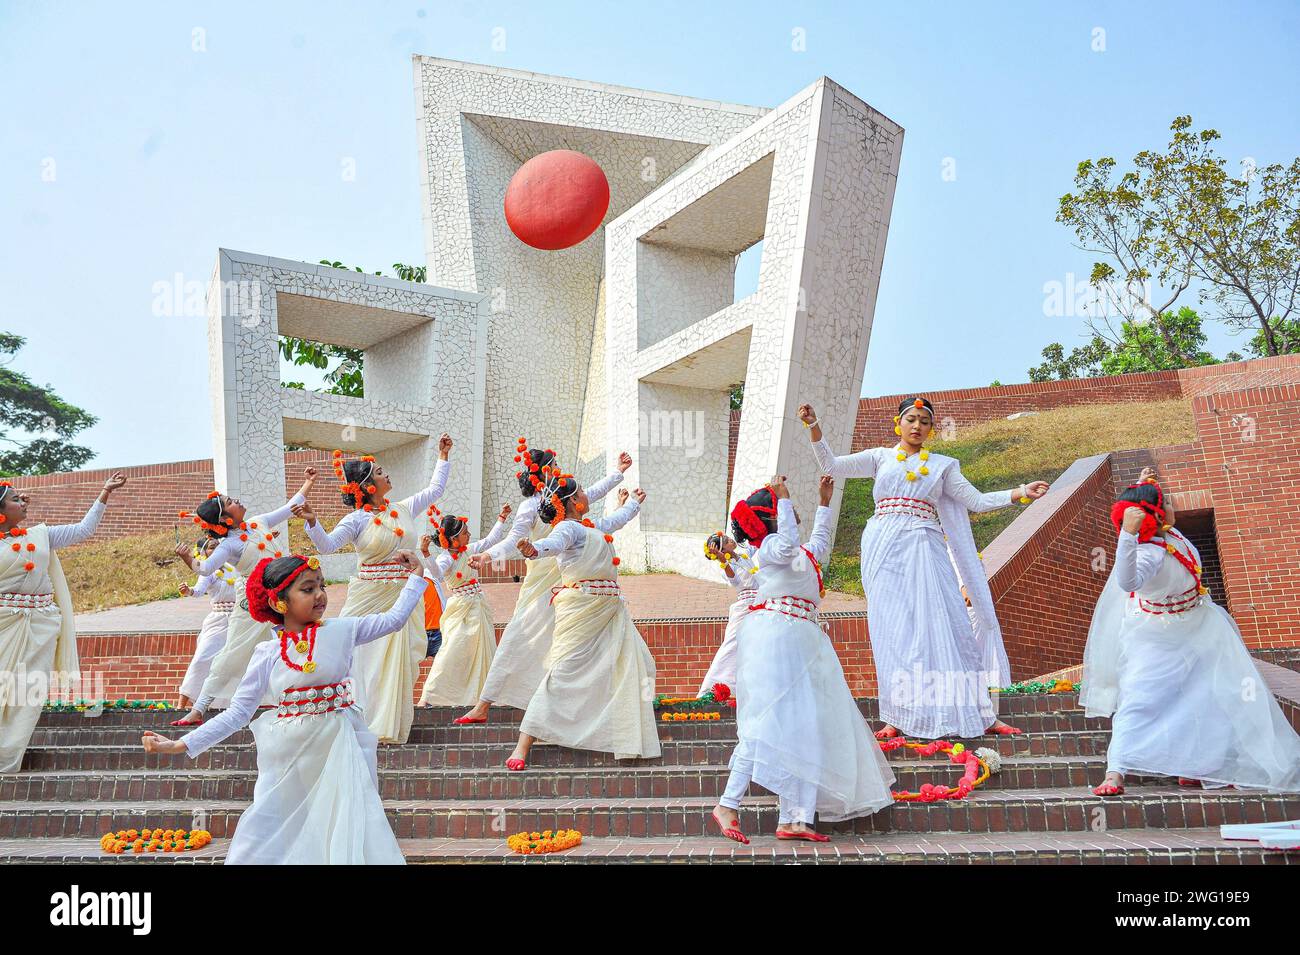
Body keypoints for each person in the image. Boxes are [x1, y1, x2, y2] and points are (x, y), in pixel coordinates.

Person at [142, 551, 428, 864]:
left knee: (347, 821)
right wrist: (181, 743)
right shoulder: (266, 652)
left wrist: (416, 578)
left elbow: (393, 620)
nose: (319, 595)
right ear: (280, 602)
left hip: (340, 745)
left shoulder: (343, 630)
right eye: (307, 589)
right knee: (270, 824)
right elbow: (238, 713)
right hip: (289, 755)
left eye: (321, 586)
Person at [799, 398, 1049, 739]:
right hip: (883, 546)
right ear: (897, 424)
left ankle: (981, 713)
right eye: (911, 420)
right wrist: (814, 426)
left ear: (931, 429)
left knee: (951, 623)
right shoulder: (880, 457)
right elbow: (830, 463)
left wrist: (1020, 492)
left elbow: (974, 501)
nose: (917, 426)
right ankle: (896, 716)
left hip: (925, 544)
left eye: (925, 422)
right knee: (892, 629)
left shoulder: (944, 465)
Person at [1083, 470, 1300, 796]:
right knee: (1139, 699)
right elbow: (1127, 583)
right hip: (1156, 635)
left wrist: (1147, 485)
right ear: (1151, 516)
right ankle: (1116, 772)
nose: (1172, 506)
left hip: (1199, 626)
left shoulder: (1171, 536)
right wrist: (1126, 535)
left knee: (1212, 694)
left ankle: (1197, 768)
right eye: (1164, 503)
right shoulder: (1147, 552)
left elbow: (1161, 516)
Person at [711, 475, 896, 843]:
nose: (791, 511)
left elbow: (819, 543)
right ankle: (727, 804)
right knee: (766, 722)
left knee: (804, 725)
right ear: (772, 517)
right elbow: (775, 555)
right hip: (777, 636)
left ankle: (794, 818)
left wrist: (825, 502)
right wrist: (784, 498)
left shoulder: (800, 554)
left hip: (806, 639)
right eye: (783, 509)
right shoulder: (771, 547)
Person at [453, 443, 630, 724]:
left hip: (571, 578)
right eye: (554, 464)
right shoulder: (530, 506)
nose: (558, 468)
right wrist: (487, 555)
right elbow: (514, 540)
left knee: (567, 642)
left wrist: (617, 473)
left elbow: (591, 494)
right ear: (544, 471)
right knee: (519, 635)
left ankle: (565, 704)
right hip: (541, 581)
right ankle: (484, 704)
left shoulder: (567, 498)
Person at [295, 435, 451, 744]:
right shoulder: (356, 520)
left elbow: (435, 490)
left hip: (403, 594)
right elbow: (327, 546)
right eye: (379, 472)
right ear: (367, 485)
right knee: (360, 657)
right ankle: (352, 718)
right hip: (368, 595)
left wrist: (443, 456)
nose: (386, 474)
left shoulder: (404, 508)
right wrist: (313, 523)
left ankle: (387, 725)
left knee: (397, 661)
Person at [507, 478, 657, 768]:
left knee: (640, 664)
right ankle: (523, 744)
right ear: (574, 502)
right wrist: (533, 550)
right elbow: (553, 544)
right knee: (562, 671)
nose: (587, 495)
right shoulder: (567, 528)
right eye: (583, 493)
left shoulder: (591, 526)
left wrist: (633, 503)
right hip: (581, 609)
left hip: (610, 610)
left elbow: (618, 518)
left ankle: (624, 727)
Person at [169, 468, 318, 726]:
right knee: (233, 653)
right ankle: (200, 707)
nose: (235, 501)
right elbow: (205, 568)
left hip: (283, 595)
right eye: (229, 503)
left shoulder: (258, 522)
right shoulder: (229, 545)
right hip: (253, 601)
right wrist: (186, 558)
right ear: (225, 519)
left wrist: (308, 482)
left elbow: (290, 507)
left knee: (297, 644)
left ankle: (302, 700)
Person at [0, 472, 127, 773]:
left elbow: (83, 531)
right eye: (15, 499)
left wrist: (104, 493)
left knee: (29, 692)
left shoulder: (40, 535)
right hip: (4, 625)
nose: (23, 502)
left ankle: (7, 757)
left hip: (41, 626)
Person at [416, 504, 510, 707]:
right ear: (452, 539)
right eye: (465, 533)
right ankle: (429, 695)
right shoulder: (445, 558)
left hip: (477, 606)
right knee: (451, 649)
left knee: (483, 650)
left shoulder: (470, 550)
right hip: (460, 608)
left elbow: (490, 541)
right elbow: (438, 575)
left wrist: (501, 518)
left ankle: (483, 698)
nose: (469, 536)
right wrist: (425, 554)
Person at [176, 538, 239, 709]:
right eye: (212, 548)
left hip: (238, 621)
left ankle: (230, 703)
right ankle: (182, 702)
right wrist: (188, 590)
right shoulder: (209, 572)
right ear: (203, 553)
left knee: (237, 661)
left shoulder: (234, 569)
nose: (217, 551)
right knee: (202, 658)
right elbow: (198, 591)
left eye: (219, 547)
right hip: (218, 620)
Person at [698, 532, 759, 697]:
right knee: (732, 644)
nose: (730, 540)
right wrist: (723, 561)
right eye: (725, 541)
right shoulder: (726, 567)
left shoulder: (745, 555)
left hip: (762, 603)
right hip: (746, 606)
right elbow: (735, 581)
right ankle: (712, 687)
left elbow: (756, 541)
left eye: (727, 537)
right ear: (722, 549)